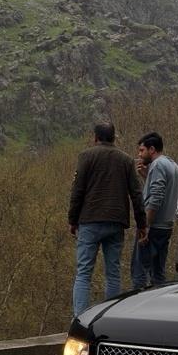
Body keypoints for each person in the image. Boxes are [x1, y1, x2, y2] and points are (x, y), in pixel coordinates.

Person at [68, 122, 147, 316]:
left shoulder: (86, 156)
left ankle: (80, 318)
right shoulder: (126, 160)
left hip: (90, 219)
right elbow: (136, 194)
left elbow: (78, 190)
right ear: (114, 138)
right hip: (116, 221)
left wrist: (72, 219)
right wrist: (142, 223)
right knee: (113, 272)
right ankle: (110, 316)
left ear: (95, 137)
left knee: (84, 273)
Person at [131, 132, 178, 287]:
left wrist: (145, 226)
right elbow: (164, 191)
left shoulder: (157, 165)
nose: (139, 154)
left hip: (153, 228)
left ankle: (135, 308)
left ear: (152, 149)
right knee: (158, 274)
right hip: (166, 226)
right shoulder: (172, 164)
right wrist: (147, 176)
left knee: (139, 273)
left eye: (141, 150)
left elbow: (156, 197)